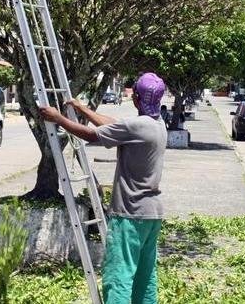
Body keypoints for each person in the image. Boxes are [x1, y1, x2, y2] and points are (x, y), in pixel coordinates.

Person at [39, 72, 167, 304]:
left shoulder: (139, 126)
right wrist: (83, 110)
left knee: (119, 276)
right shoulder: (157, 124)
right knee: (145, 277)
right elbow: (116, 126)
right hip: (151, 215)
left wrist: (58, 118)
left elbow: (92, 135)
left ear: (136, 98)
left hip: (130, 214)